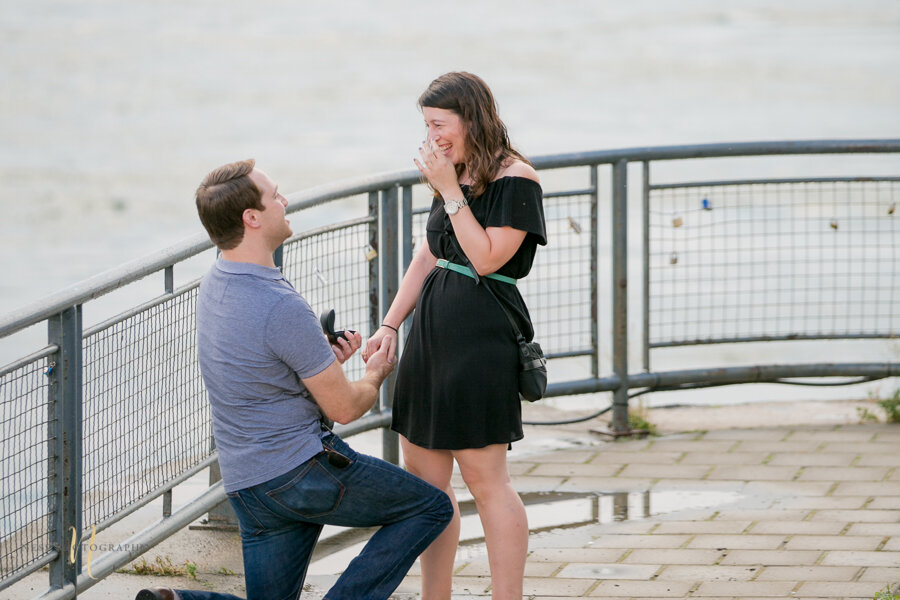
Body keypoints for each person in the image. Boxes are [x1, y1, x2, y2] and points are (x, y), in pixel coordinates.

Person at [137, 159, 452, 600]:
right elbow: (343, 408)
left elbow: (260, 365)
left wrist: (320, 359)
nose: (285, 202)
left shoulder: (216, 282)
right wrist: (376, 373)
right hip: (299, 473)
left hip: (246, 482)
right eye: (275, 196)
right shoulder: (279, 305)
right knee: (430, 506)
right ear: (252, 218)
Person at [364, 72, 547, 600]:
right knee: (426, 486)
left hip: (481, 338)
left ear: (471, 118)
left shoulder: (518, 179)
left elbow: (488, 258)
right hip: (431, 337)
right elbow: (430, 251)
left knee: (487, 480)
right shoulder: (456, 174)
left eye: (439, 124)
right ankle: (434, 595)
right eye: (426, 125)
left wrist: (447, 189)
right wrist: (391, 323)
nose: (432, 135)